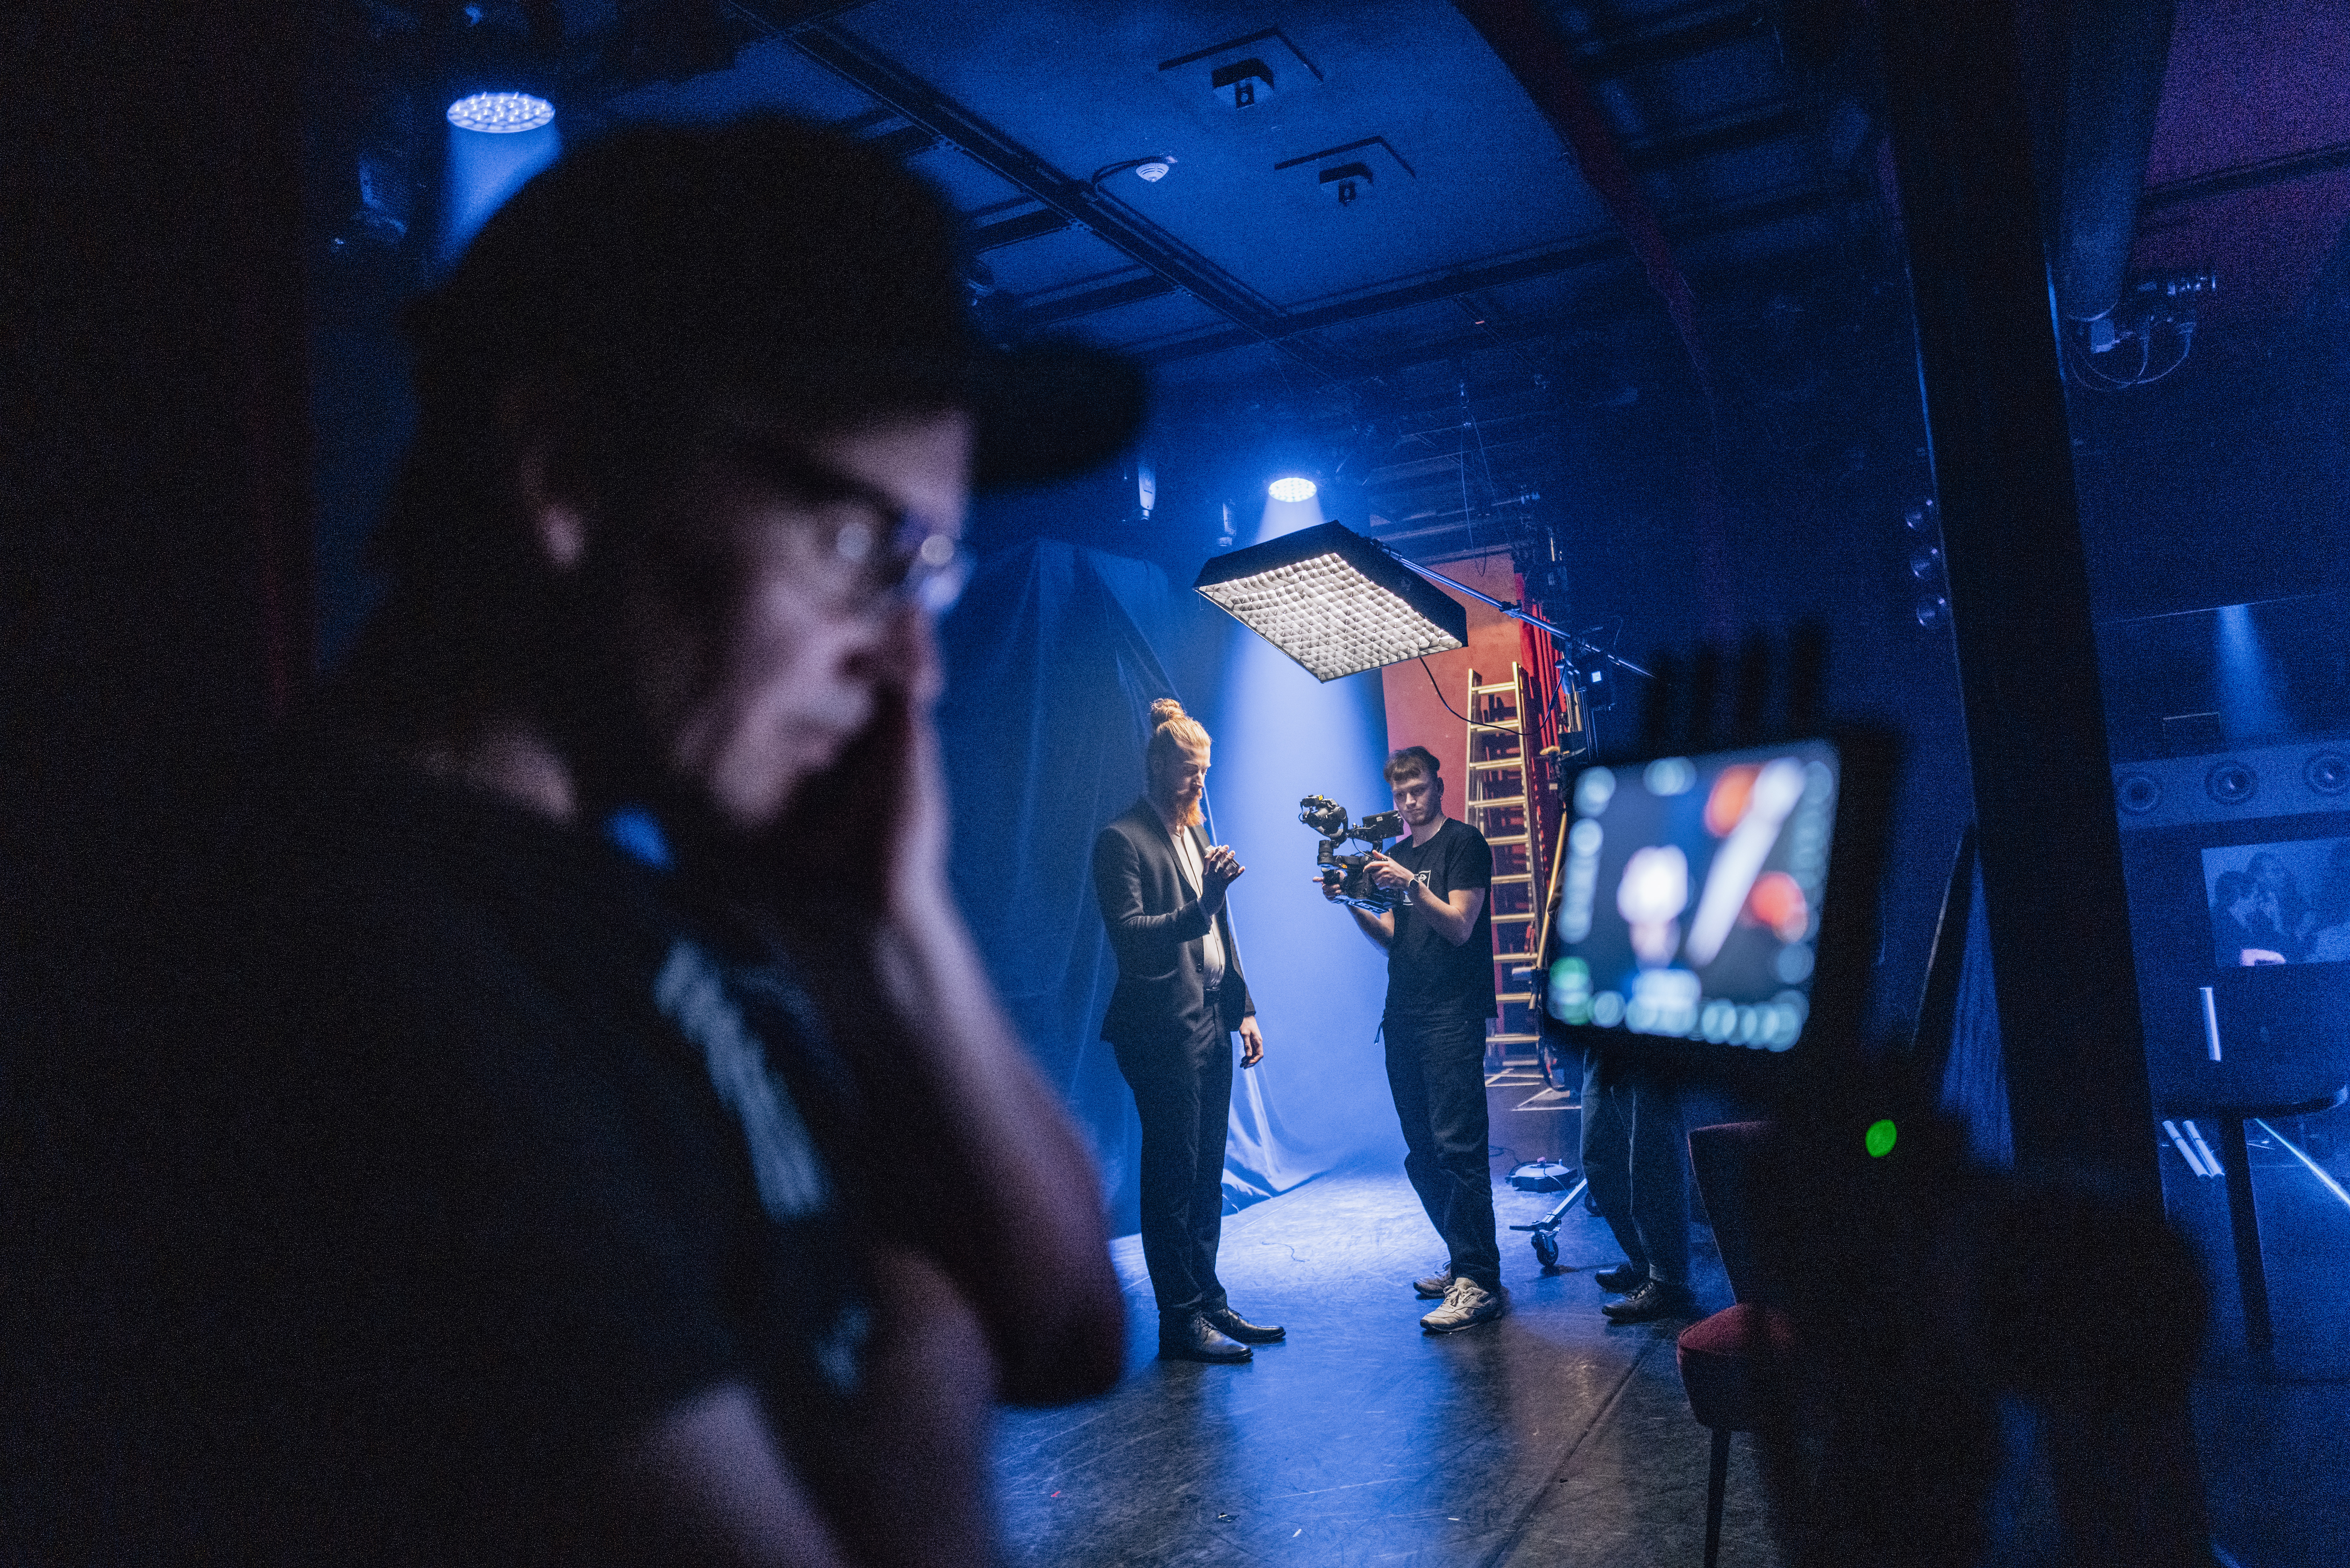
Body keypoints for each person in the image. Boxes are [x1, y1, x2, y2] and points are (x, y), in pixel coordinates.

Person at [1, 116, 1137, 1566]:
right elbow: (976, 1341)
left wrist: (894, 924)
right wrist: (925, 1365)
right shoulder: (338, 952)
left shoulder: (650, 905)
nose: (911, 664)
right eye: (867, 554)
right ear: (572, 473)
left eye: (936, 573)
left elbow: (1068, 1326)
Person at [1092, 698, 1280, 1364]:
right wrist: (1200, 906)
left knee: (1205, 1173)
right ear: (1156, 765)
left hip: (1208, 1018)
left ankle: (1207, 1299)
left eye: (1204, 771)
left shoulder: (1195, 834)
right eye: (1186, 771)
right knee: (1173, 1176)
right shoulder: (1122, 839)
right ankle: (1179, 1322)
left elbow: (1221, 928)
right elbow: (1133, 937)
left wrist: (1244, 1006)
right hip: (1157, 1030)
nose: (1198, 782)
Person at [1328, 744, 1508, 1333]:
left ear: (1437, 784)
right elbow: (1390, 934)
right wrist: (1349, 899)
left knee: (1458, 1149)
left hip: (1450, 1016)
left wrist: (1408, 883)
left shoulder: (1462, 844)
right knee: (1421, 1151)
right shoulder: (1395, 853)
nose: (1408, 801)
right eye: (1399, 793)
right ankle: (1462, 1258)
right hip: (1401, 1015)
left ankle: (1479, 1279)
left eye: (1417, 789)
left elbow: (1458, 925)